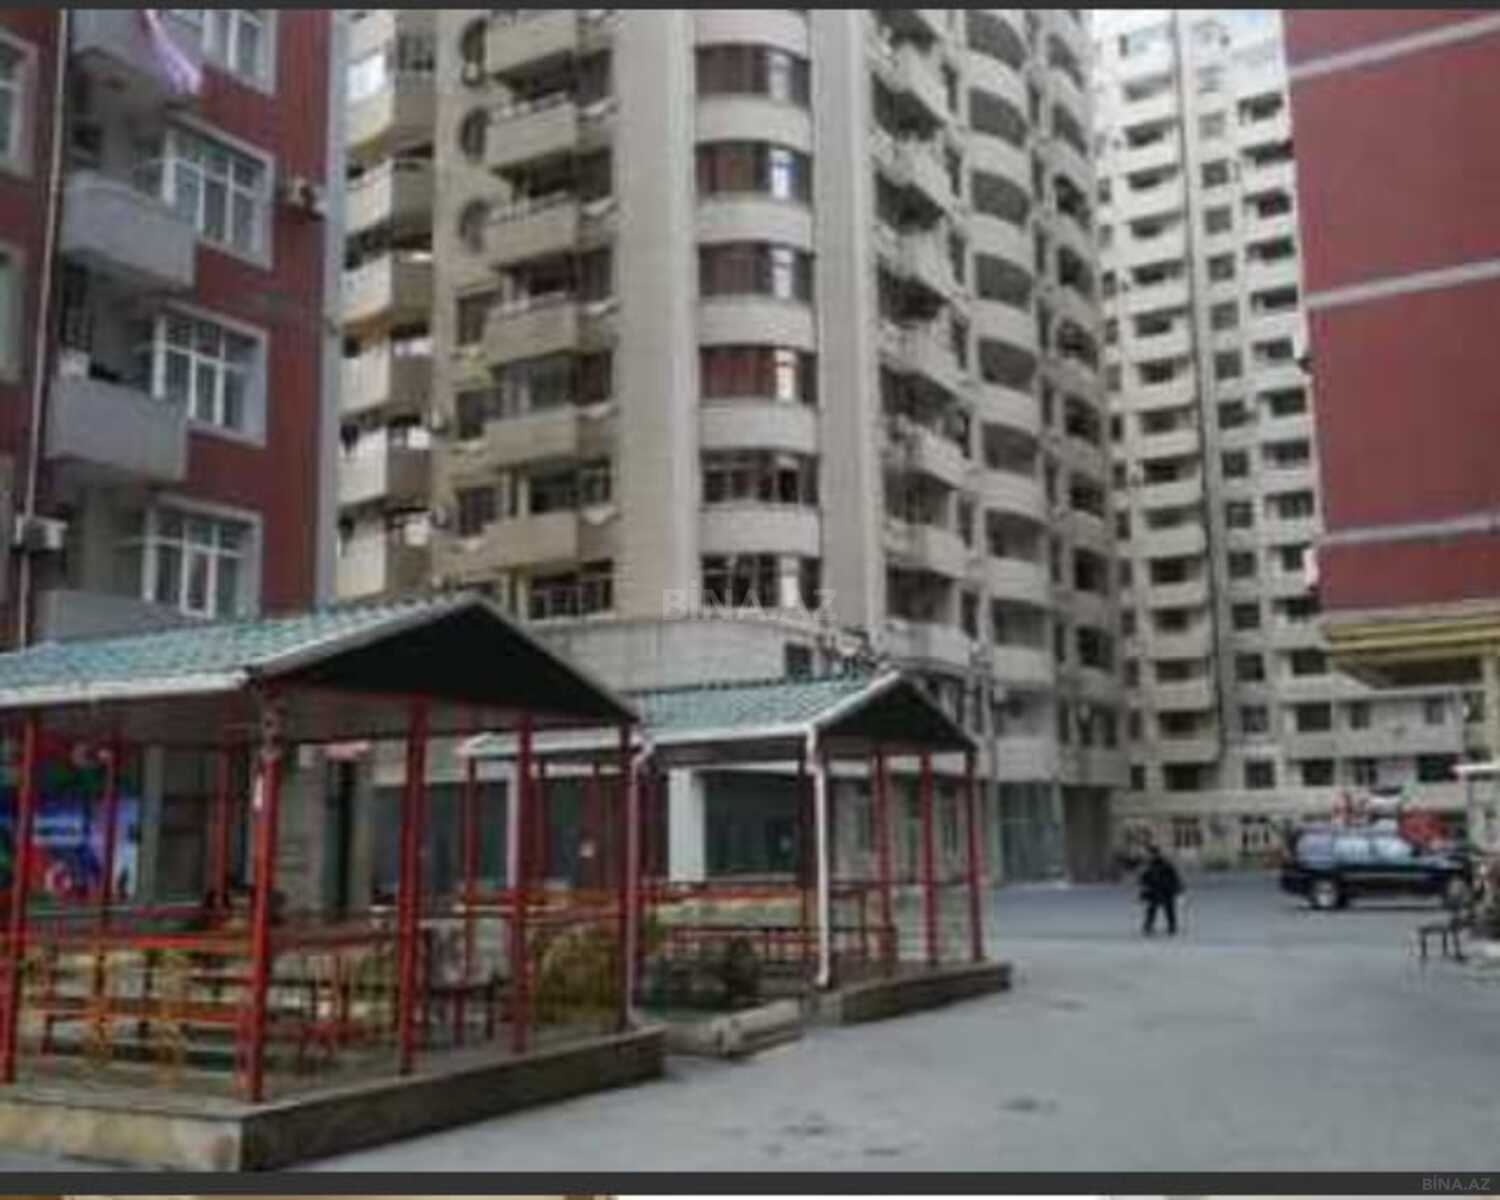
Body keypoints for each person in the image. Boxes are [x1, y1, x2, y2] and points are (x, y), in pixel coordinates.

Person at [1139, 845, 1183, 936]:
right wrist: (1144, 884)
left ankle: (1171, 926)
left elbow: (1173, 876)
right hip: (1155, 890)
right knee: (1152, 909)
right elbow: (1145, 877)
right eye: (1149, 854)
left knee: (1168, 909)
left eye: (1150, 854)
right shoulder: (1150, 865)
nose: (1148, 856)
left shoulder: (1164, 864)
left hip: (1165, 890)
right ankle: (1148, 926)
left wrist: (1176, 887)